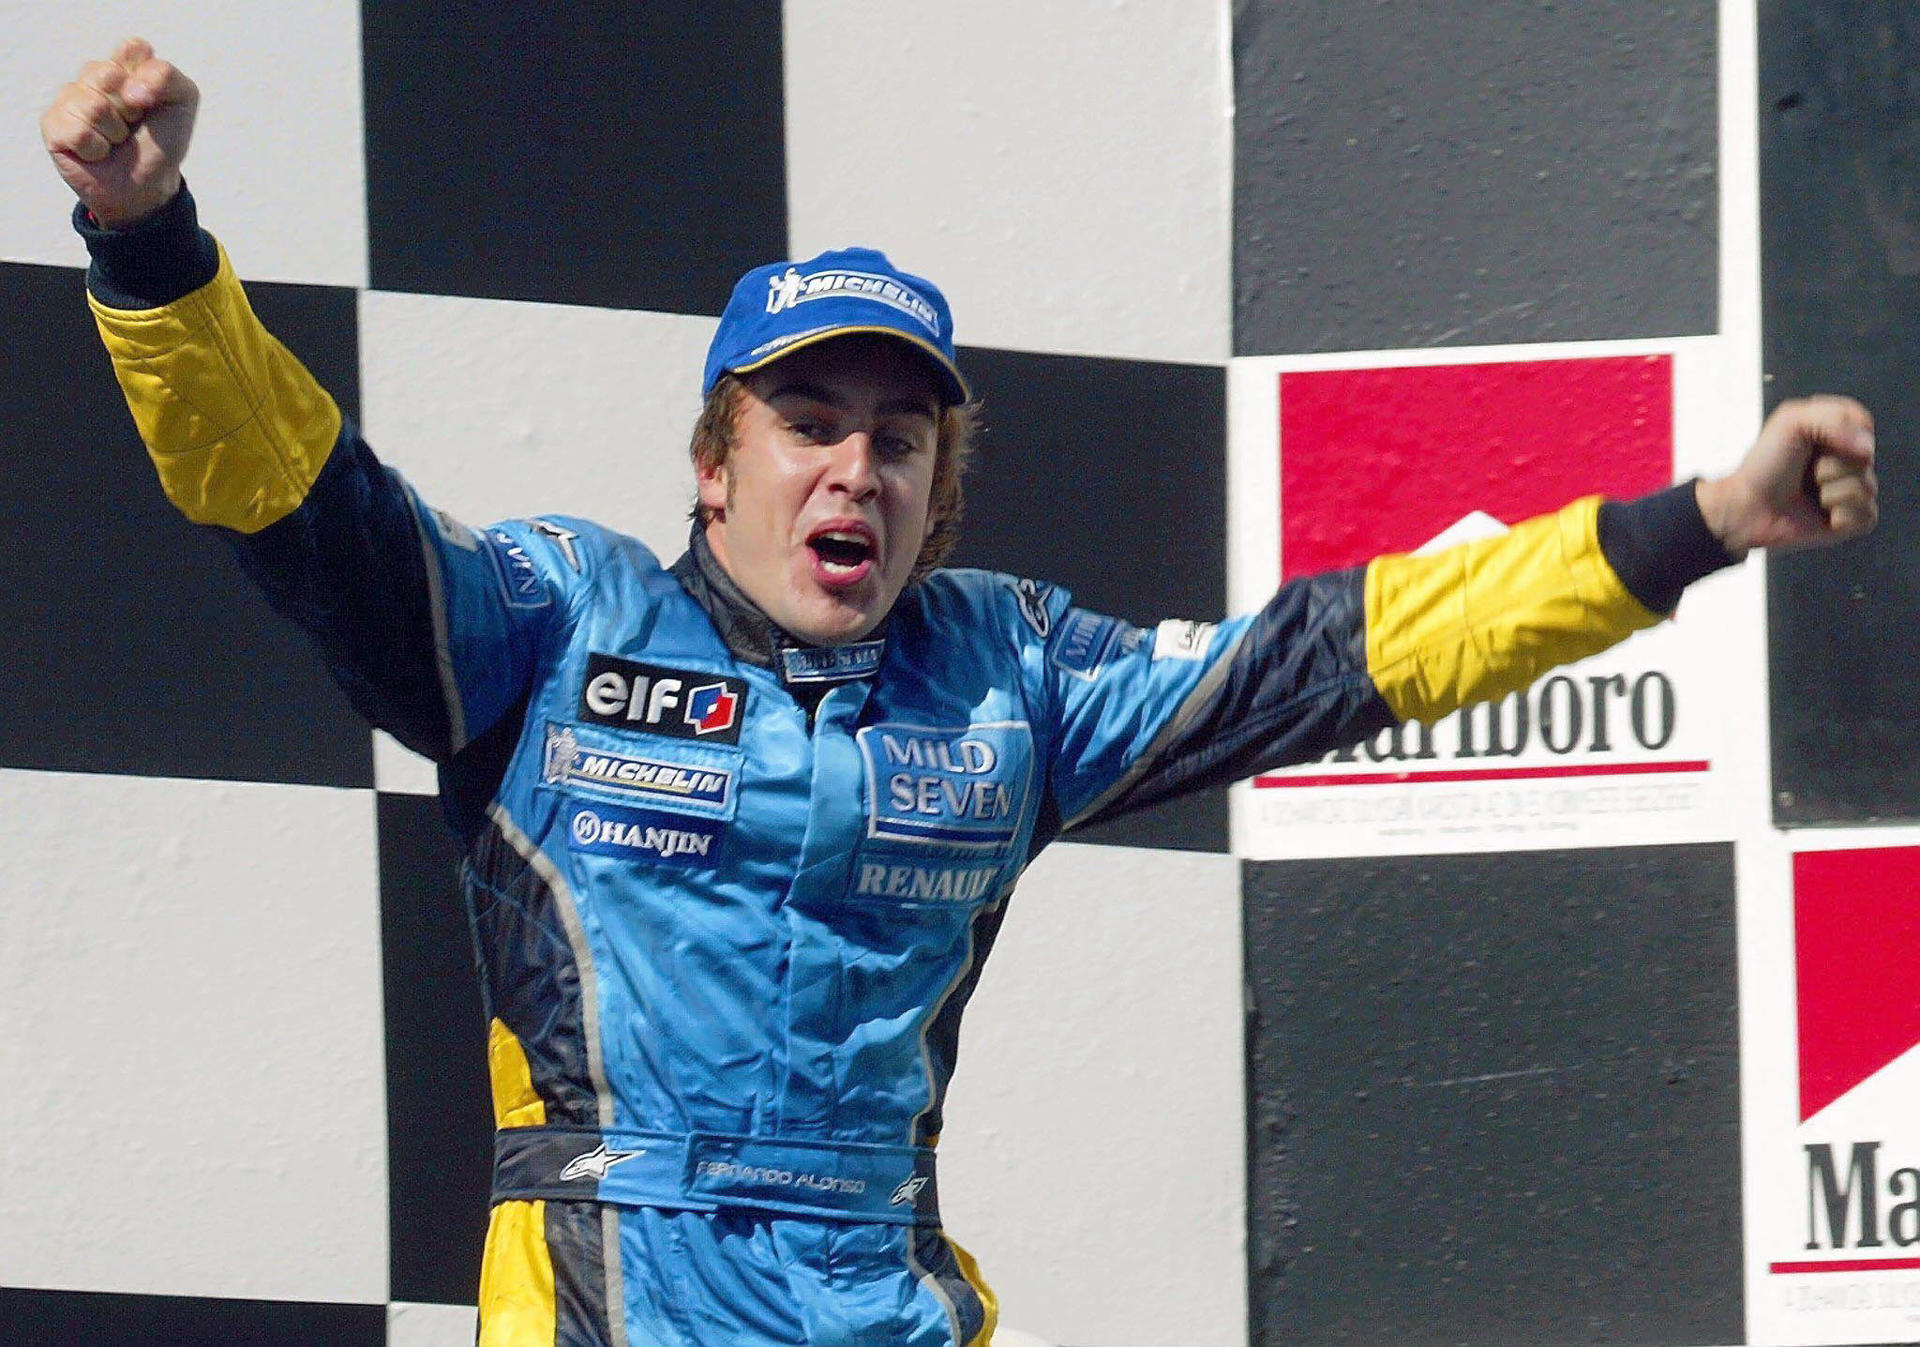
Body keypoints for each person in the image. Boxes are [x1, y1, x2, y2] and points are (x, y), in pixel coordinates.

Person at [42, 38, 1878, 1347]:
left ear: (941, 484)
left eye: (900, 437)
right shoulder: (548, 623)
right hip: (615, 1293)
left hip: (887, 1298)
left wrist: (1699, 522)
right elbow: (286, 491)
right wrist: (149, 243)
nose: (856, 469)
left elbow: (1349, 651)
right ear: (714, 463)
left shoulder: (1013, 674)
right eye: (809, 424)